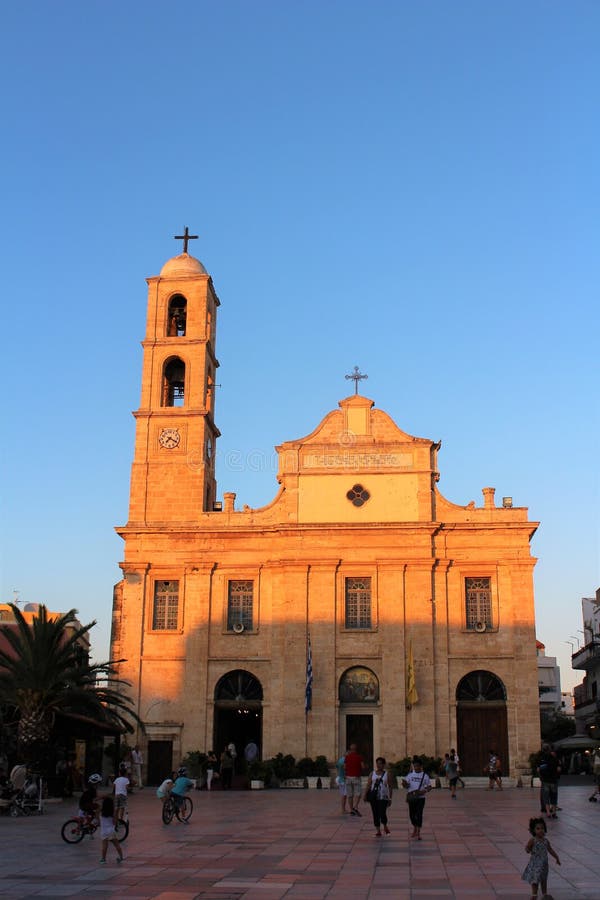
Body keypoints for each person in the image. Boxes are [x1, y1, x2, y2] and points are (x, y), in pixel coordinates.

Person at [522, 817, 560, 898]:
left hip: (544, 864)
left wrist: (556, 857)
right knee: (535, 880)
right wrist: (528, 849)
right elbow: (527, 848)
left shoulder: (546, 841)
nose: (540, 830)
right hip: (535, 864)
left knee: (543, 879)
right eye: (538, 828)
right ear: (533, 831)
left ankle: (544, 894)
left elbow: (550, 850)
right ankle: (534, 894)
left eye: (542, 828)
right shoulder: (533, 840)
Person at [402, 755, 432, 840]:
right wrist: (404, 784)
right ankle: (415, 827)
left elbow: (429, 787)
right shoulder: (410, 775)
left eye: (417, 766)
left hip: (421, 798)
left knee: (419, 814)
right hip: (411, 797)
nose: (416, 768)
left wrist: (424, 791)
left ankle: (418, 832)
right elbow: (406, 786)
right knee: (412, 815)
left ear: (421, 766)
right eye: (415, 766)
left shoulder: (425, 776)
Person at [364, 756, 392, 837]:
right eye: (377, 764)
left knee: (382, 813)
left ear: (383, 765)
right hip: (374, 797)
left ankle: (385, 826)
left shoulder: (387, 774)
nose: (378, 765)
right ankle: (378, 830)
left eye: (380, 764)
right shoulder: (372, 774)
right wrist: (365, 795)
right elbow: (368, 785)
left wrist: (390, 798)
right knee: (375, 813)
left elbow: (390, 786)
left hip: (383, 797)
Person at [99, 795, 124, 865]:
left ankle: (103, 859)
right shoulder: (112, 813)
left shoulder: (101, 812)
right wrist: (116, 812)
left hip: (103, 831)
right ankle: (121, 857)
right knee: (117, 845)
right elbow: (114, 822)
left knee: (104, 846)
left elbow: (99, 821)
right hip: (111, 831)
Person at [537, 743, 560, 818]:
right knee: (554, 796)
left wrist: (541, 774)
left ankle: (548, 813)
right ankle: (554, 812)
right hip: (553, 780)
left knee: (546, 797)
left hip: (546, 781)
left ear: (543, 749)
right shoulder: (554, 759)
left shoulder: (542, 758)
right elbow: (558, 768)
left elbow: (539, 769)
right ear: (549, 749)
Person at [344, 743, 365, 816]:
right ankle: (355, 807)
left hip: (348, 777)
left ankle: (351, 809)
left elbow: (344, 767)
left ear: (350, 749)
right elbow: (362, 767)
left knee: (350, 795)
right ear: (356, 749)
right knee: (358, 793)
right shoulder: (359, 757)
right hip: (356, 777)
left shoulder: (347, 757)